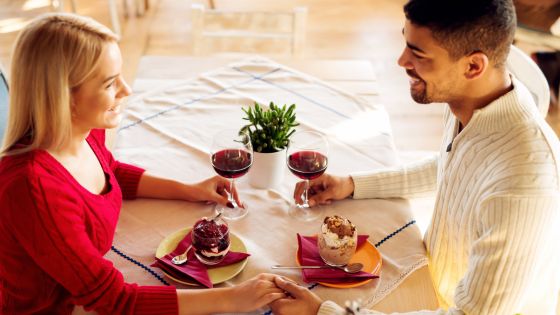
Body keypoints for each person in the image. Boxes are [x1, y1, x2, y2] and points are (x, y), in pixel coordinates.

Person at [272, 0, 560, 314]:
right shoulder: (476, 103)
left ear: (473, 66)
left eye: (418, 53)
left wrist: (324, 313)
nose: (401, 61)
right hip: (431, 278)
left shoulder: (522, 184)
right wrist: (351, 185)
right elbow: (452, 167)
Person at [0, 13, 286, 314]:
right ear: (64, 97)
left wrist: (189, 190)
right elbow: (116, 301)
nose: (127, 90)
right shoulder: (33, 190)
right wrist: (233, 299)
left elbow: (109, 171)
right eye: (110, 84)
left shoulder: (82, 130)